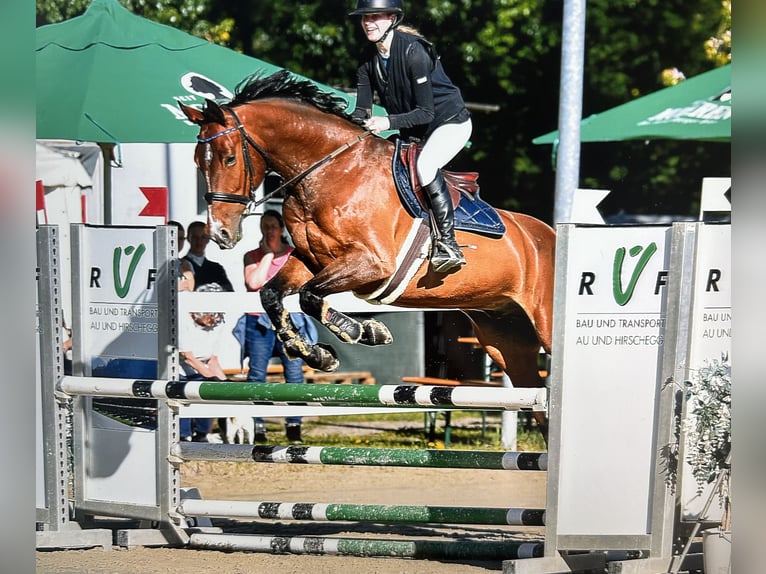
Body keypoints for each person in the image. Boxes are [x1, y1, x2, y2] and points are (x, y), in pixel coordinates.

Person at [348, 0, 472, 273]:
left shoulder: (414, 52)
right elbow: (362, 110)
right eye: (364, 18)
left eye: (376, 16)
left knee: (425, 167)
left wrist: (387, 122)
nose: (368, 22)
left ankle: (448, 244)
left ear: (392, 18)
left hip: (449, 123)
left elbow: (426, 112)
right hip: (414, 131)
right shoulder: (366, 59)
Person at [240, 209, 317, 444]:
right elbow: (254, 283)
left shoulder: (295, 255)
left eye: (273, 226)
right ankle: (258, 426)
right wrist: (268, 256)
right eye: (265, 226)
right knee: (256, 376)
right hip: (259, 322)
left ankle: (294, 425)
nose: (269, 230)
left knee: (294, 375)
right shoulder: (251, 255)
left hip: (290, 321)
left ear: (281, 229)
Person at [178, 282, 228, 443]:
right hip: (179, 368)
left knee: (209, 397)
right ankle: (183, 436)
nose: (214, 320)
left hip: (202, 367)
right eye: (211, 316)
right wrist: (211, 378)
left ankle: (202, 435)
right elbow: (188, 357)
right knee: (183, 398)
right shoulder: (182, 317)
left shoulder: (219, 322)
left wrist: (225, 384)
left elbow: (212, 359)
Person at [183, 221, 234, 292]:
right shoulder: (180, 266)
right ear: (188, 238)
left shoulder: (216, 269)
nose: (199, 241)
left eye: (203, 237)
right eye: (195, 237)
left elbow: (229, 292)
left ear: (208, 239)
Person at [168, 220, 195, 292]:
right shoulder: (154, 263)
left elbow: (189, 289)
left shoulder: (186, 264)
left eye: (181, 238)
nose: (178, 242)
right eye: (174, 238)